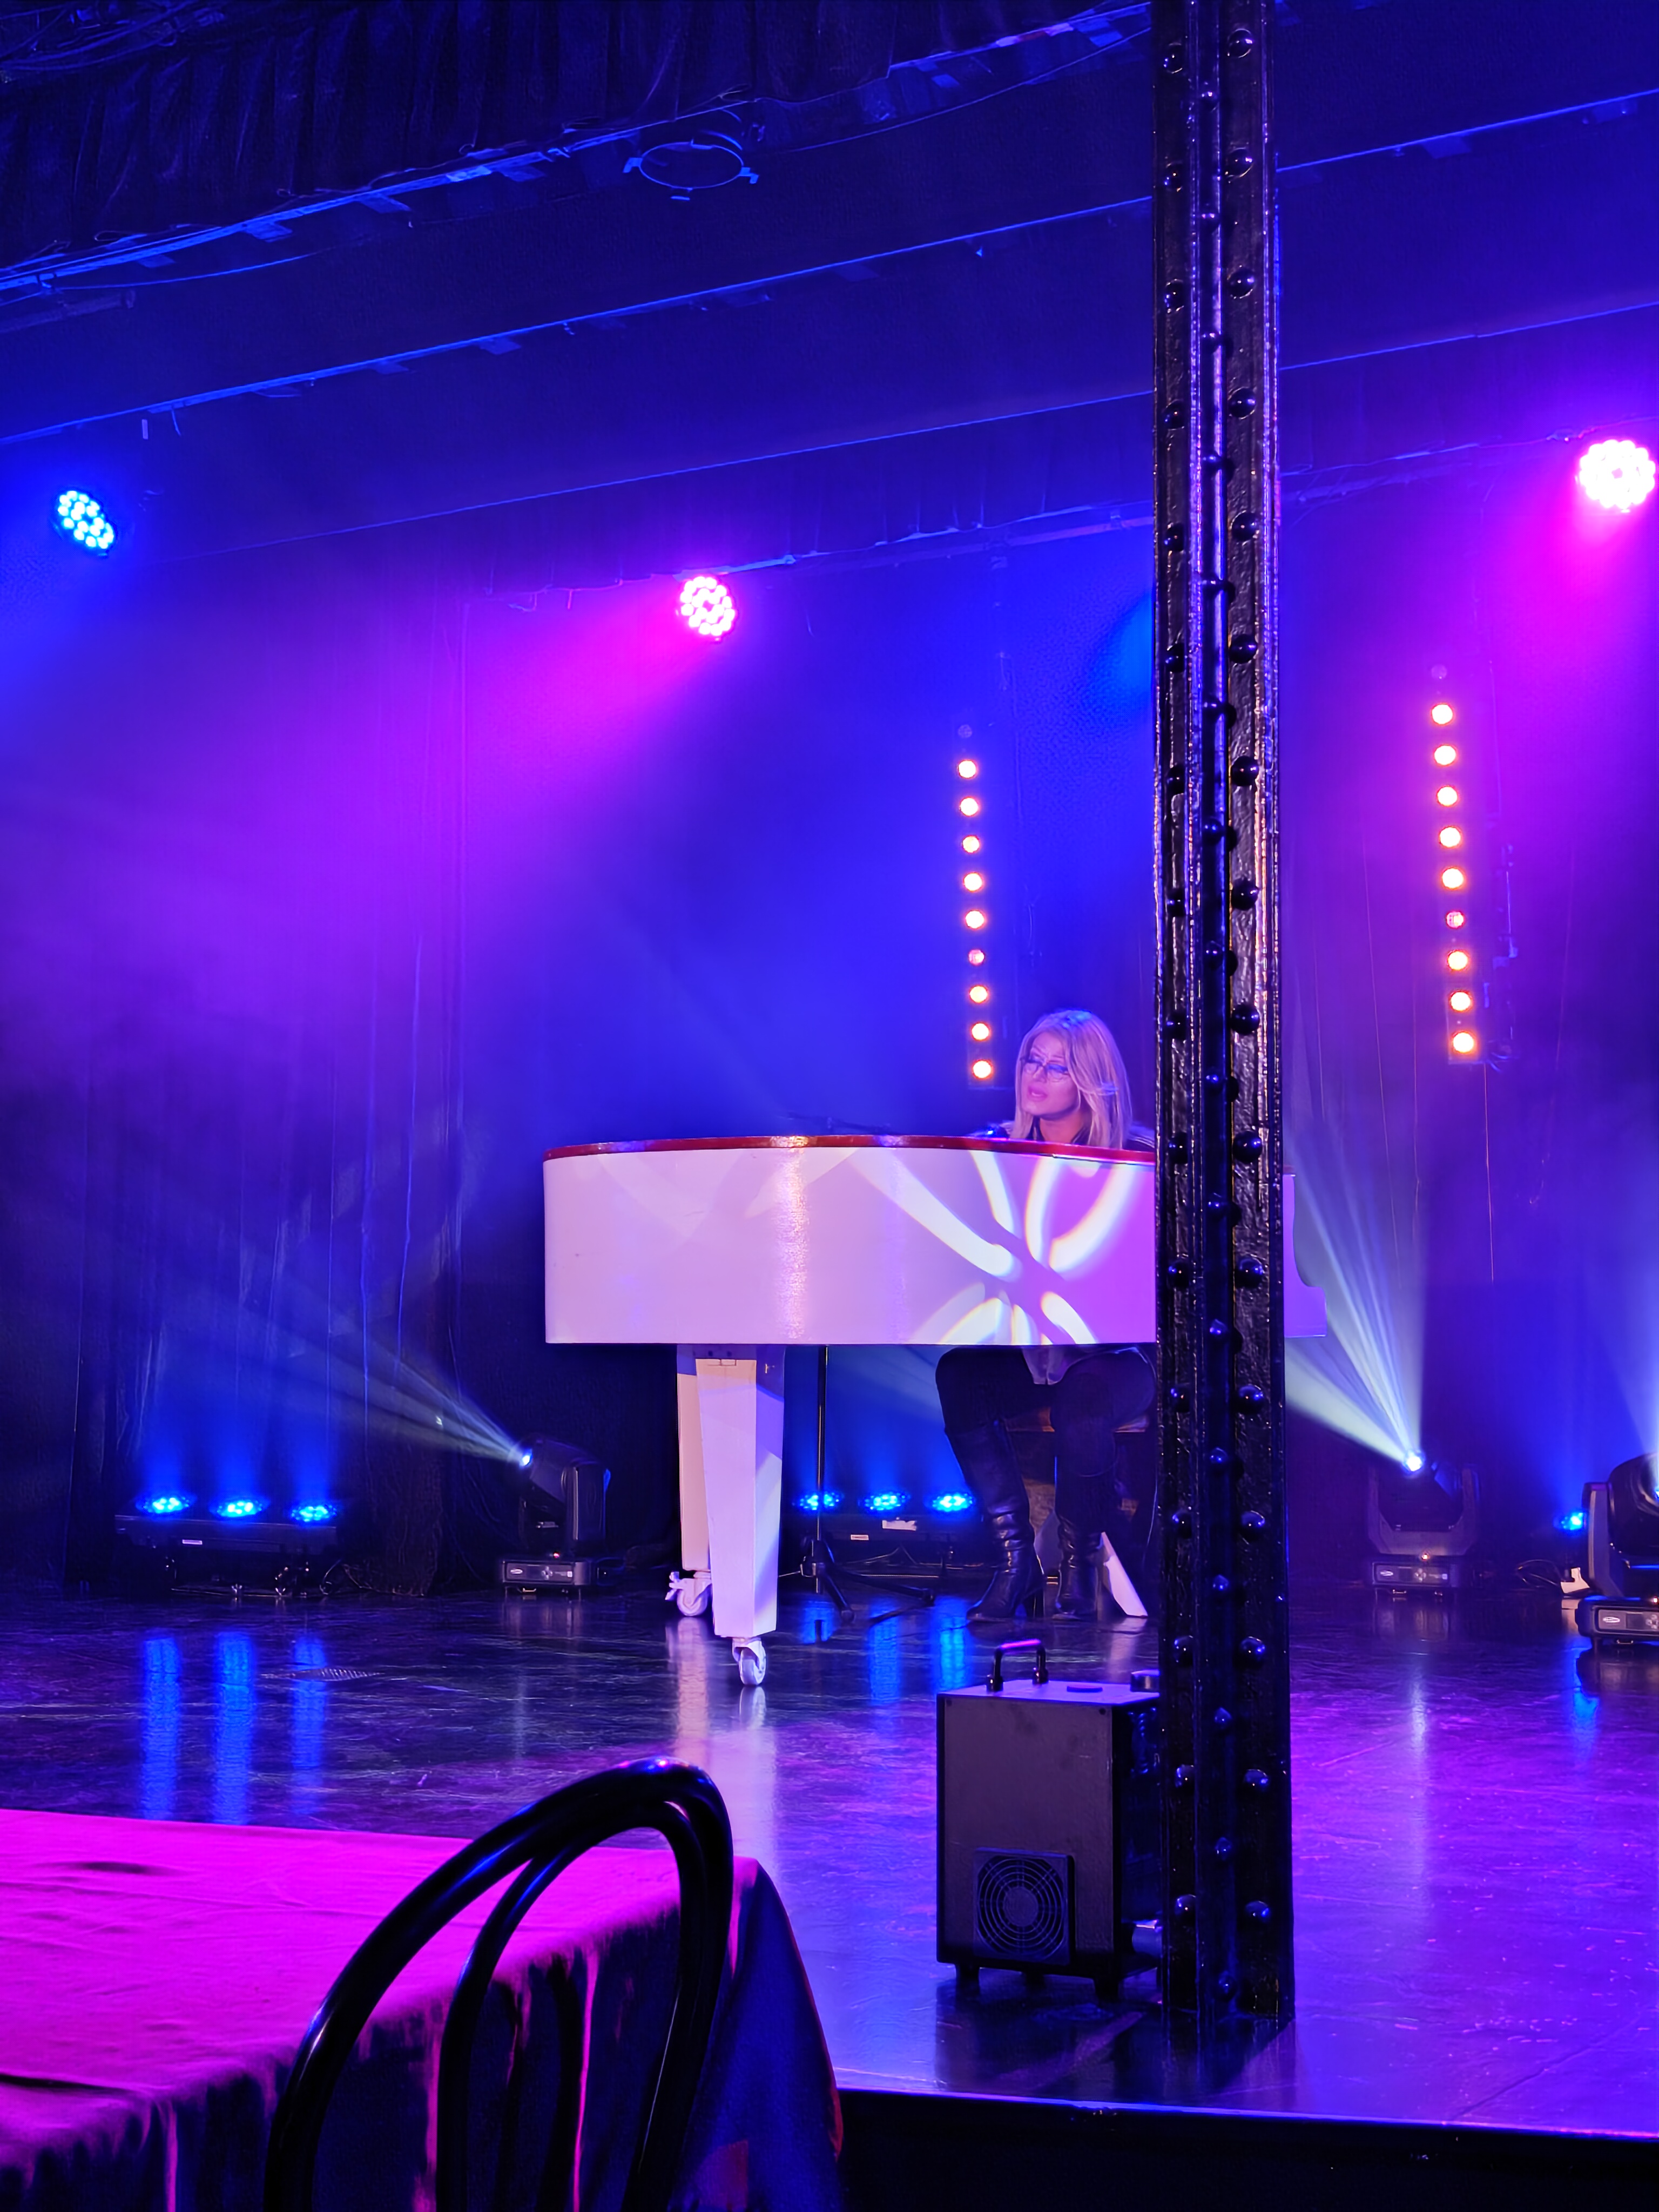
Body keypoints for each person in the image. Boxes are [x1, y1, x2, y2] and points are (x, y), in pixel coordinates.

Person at [935, 1008, 1154, 1623]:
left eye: (1058, 1067)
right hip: (1032, 1350)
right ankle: (1016, 1562)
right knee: (959, 1375)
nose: (1037, 1075)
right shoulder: (995, 1149)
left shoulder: (1136, 1157)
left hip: (1119, 1357)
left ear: (1091, 1081)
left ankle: (1080, 1565)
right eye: (1033, 1059)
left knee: (1083, 1403)